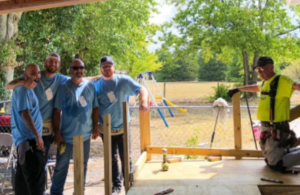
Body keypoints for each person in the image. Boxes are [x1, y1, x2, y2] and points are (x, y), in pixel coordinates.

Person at [6, 53, 101, 166]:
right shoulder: (35, 75)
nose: (53, 64)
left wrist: (102, 76)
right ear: (45, 63)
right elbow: (8, 86)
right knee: (32, 163)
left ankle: (42, 182)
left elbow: (78, 78)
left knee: (43, 160)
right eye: (50, 61)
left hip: (48, 127)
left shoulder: (60, 79)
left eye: (56, 62)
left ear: (59, 65)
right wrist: (23, 82)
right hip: (31, 128)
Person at [228, 56, 300, 173]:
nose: (259, 73)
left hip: (277, 127)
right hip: (266, 127)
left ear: (271, 67)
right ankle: (283, 153)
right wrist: (238, 89)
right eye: (257, 70)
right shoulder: (266, 82)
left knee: (275, 163)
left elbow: (296, 85)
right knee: (268, 160)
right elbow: (257, 88)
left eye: (262, 69)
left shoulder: (282, 80)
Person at [94, 56, 148, 193]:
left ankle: (128, 185)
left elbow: (141, 89)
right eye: (104, 66)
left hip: (123, 127)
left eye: (109, 65)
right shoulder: (96, 85)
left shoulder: (123, 81)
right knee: (111, 158)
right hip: (105, 129)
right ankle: (116, 186)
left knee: (125, 157)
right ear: (100, 68)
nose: (107, 68)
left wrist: (144, 101)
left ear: (114, 66)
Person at [50, 59, 99, 195]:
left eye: (81, 67)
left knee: (82, 165)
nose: (79, 70)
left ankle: (79, 191)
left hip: (85, 136)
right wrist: (57, 133)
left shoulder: (90, 86)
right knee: (61, 167)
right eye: (75, 68)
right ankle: (56, 193)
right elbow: (56, 111)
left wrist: (95, 128)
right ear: (70, 70)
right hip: (66, 137)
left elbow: (95, 108)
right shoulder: (63, 87)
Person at [11, 64, 45, 195]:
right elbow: (24, 113)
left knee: (23, 186)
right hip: (29, 142)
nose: (37, 76)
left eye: (38, 73)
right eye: (33, 73)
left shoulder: (26, 87)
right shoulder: (23, 89)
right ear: (25, 75)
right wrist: (37, 136)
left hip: (25, 144)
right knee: (36, 185)